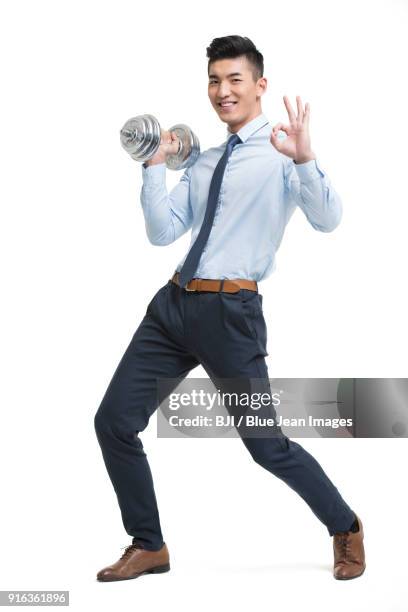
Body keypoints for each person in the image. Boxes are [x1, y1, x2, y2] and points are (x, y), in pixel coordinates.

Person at [94, 34, 365, 582]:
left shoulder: (284, 151)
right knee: (114, 422)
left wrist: (307, 161)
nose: (223, 90)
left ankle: (346, 526)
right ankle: (149, 545)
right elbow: (163, 231)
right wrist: (152, 165)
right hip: (171, 309)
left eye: (235, 79)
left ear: (260, 85)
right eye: (215, 80)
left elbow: (329, 219)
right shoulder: (206, 159)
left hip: (231, 316)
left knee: (267, 448)